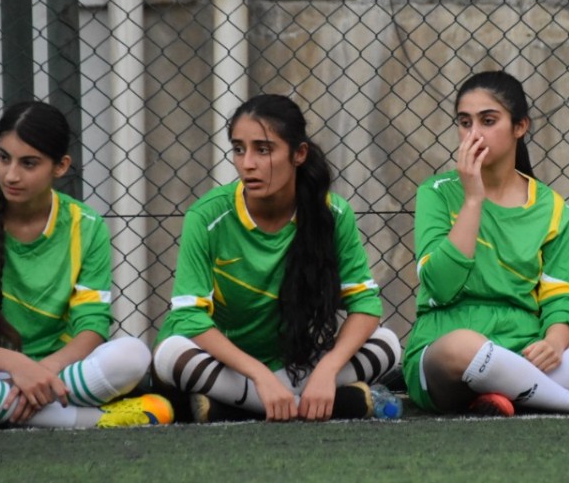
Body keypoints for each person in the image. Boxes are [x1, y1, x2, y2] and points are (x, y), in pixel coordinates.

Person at [404, 71, 569, 416]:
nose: (473, 134)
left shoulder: (551, 206)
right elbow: (440, 286)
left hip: (525, 353)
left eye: (488, 121)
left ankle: (511, 393)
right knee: (463, 347)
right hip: (447, 354)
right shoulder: (436, 193)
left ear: (520, 127)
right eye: (465, 123)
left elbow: (561, 298)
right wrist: (472, 200)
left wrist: (554, 343)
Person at [0, 101, 171, 430]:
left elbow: (93, 326)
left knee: (133, 355)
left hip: (62, 370)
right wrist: (18, 366)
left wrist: (43, 371)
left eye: (29, 163)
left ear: (61, 166)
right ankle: (97, 420)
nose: (11, 175)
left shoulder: (87, 225)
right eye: (4, 157)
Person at [153, 94, 401, 422]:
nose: (247, 163)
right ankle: (315, 403)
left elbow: (366, 305)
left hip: (292, 364)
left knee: (387, 344)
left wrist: (327, 370)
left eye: (263, 150)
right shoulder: (206, 216)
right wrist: (259, 375)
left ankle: (235, 408)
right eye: (238, 149)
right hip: (225, 364)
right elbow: (189, 319)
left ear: (299, 154)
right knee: (172, 355)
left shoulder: (333, 214)